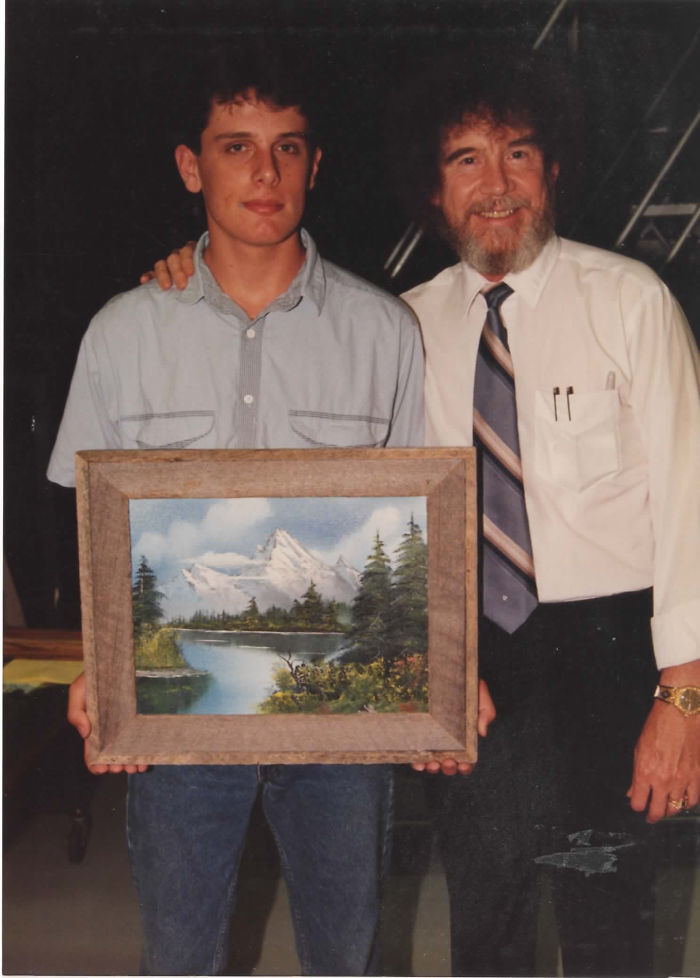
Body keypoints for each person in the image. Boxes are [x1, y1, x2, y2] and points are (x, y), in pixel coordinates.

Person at [48, 46, 426, 976]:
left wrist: (428, 681)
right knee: (179, 957)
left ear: (315, 164)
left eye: (288, 148)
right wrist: (99, 669)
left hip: (340, 729)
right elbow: (92, 526)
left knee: (349, 956)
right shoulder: (124, 332)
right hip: (177, 731)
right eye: (236, 147)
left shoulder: (386, 333)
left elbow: (419, 531)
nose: (265, 173)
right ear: (191, 165)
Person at [391, 52, 700, 976]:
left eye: (519, 154)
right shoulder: (399, 329)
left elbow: (694, 502)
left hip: (612, 656)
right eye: (467, 160)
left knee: (612, 931)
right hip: (478, 663)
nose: (496, 186)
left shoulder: (632, 303)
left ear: (553, 170)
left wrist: (682, 698)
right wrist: (431, 669)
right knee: (486, 931)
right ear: (434, 191)